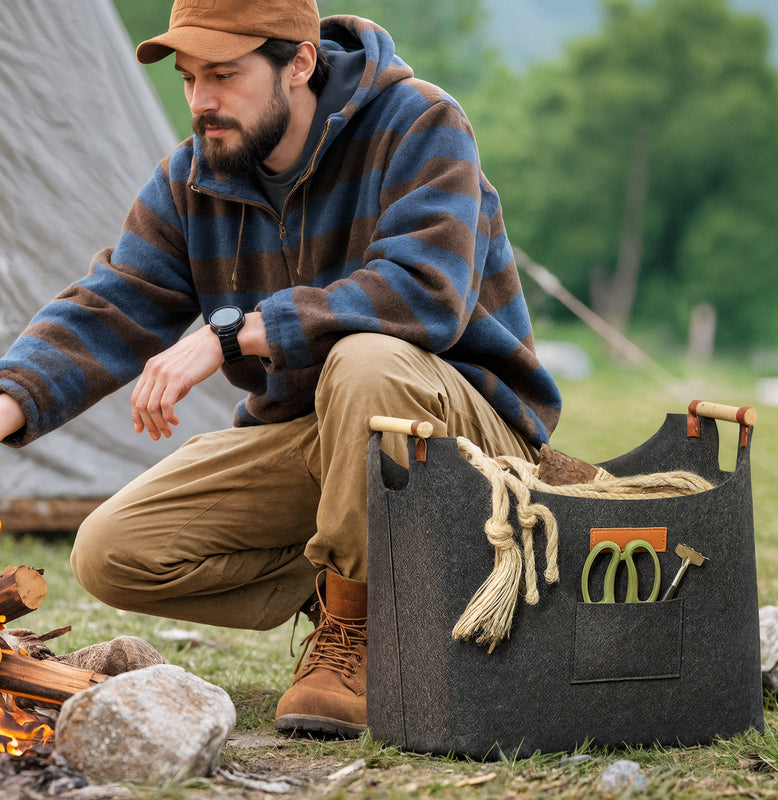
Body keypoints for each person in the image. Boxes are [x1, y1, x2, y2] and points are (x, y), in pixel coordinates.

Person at [0, 0, 561, 738]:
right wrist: (9, 398)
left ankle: (355, 638)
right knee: (114, 553)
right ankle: (358, 589)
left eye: (224, 75)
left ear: (298, 64)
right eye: (190, 76)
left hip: (465, 438)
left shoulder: (419, 122)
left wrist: (233, 333)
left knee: (366, 360)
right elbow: (111, 304)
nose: (200, 101)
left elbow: (425, 294)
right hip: (317, 439)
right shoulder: (195, 176)